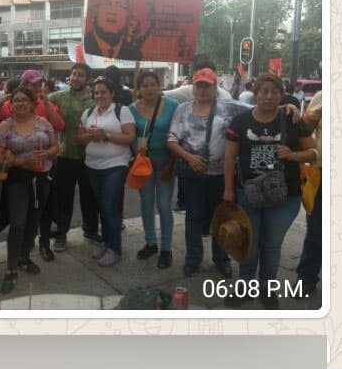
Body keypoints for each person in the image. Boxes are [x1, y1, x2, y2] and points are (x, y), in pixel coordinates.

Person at [223, 73, 317, 309]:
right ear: (255, 94)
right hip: (248, 192)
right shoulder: (240, 122)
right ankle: (245, 285)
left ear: (281, 95)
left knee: (272, 244)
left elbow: (313, 151)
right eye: (263, 91)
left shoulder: (293, 120)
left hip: (285, 195)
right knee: (249, 242)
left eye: (274, 92)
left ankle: (267, 287)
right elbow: (229, 157)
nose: (268, 96)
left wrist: (292, 155)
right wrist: (228, 190)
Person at [166, 67, 237, 277]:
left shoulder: (229, 107)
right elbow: (172, 139)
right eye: (199, 85)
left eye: (207, 85)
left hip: (220, 175)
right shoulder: (182, 109)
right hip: (192, 175)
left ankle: (222, 258)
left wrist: (288, 106)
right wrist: (189, 157)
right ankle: (193, 258)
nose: (203, 90)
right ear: (193, 87)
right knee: (193, 217)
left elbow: (258, 109)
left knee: (221, 218)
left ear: (215, 87)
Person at [0, 86, 58, 294]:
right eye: (16, 100)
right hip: (17, 179)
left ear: (32, 103)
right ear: (11, 104)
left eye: (24, 100)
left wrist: (47, 154)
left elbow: (56, 147)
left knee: (33, 220)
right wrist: (21, 161)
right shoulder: (5, 125)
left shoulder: (44, 122)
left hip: (41, 178)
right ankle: (11, 268)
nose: (20, 103)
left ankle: (24, 256)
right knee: (18, 222)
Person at [78, 75, 136, 267]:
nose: (99, 96)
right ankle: (107, 243)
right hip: (92, 165)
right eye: (96, 93)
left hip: (116, 165)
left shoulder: (122, 111)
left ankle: (115, 249)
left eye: (103, 92)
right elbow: (79, 139)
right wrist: (89, 136)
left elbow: (129, 137)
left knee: (109, 206)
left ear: (112, 94)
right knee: (102, 207)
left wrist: (105, 135)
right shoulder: (88, 113)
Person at [129, 70, 177, 268]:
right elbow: (130, 135)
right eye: (145, 85)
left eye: (152, 85)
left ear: (159, 86)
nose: (149, 89)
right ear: (139, 89)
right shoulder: (131, 109)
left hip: (166, 163)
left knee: (164, 205)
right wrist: (136, 149)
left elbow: (178, 133)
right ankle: (151, 243)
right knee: (146, 203)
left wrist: (172, 162)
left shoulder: (173, 105)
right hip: (143, 163)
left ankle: (166, 248)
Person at [51, 63, 101, 251]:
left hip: (91, 156)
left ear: (87, 79)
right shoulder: (59, 97)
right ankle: (61, 233)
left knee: (90, 196)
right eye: (73, 74)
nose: (75, 78)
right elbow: (39, 102)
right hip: (65, 155)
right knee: (63, 198)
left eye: (80, 75)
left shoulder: (95, 99)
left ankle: (90, 230)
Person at [296, 89, 322, 298]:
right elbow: (304, 131)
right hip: (322, 174)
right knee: (316, 230)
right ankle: (307, 278)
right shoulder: (323, 96)